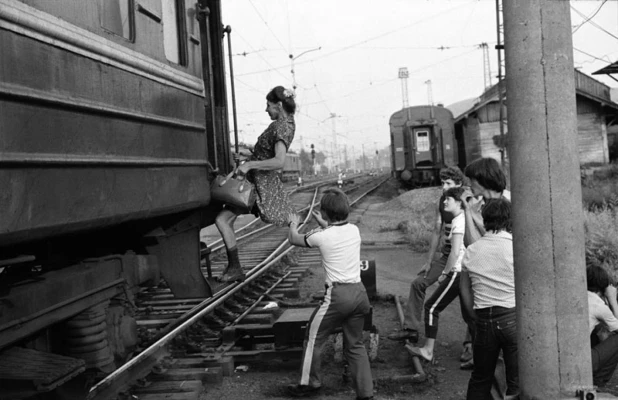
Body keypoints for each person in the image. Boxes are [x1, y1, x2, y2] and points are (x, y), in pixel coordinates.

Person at [286, 188, 373, 400]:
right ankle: (366, 394)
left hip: (337, 296)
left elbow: (294, 239)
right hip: (360, 295)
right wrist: (324, 221)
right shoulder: (354, 230)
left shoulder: (320, 236)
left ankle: (309, 383)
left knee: (313, 338)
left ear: (324, 213)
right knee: (355, 345)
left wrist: (292, 223)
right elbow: (336, 232)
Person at [388, 166, 473, 364]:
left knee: (467, 303)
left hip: (463, 259)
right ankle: (410, 330)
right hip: (446, 256)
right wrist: (428, 261)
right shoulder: (443, 202)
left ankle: (470, 345)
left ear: (458, 185)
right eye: (442, 183)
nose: (444, 187)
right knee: (418, 283)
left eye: (449, 184)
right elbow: (436, 230)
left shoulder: (466, 202)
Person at [215, 86, 296, 282]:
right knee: (225, 219)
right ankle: (234, 267)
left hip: (258, 186)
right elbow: (267, 153)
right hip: (258, 183)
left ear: (278, 105)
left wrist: (250, 164)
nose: (266, 109)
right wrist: (246, 155)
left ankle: (235, 268)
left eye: (268, 105)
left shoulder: (281, 126)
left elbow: (279, 161)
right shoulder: (287, 124)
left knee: (222, 220)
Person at [459, 198, 518, 400]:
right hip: (512, 318)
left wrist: (474, 318)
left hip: (484, 320)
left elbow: (465, 292)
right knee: (516, 382)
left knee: (480, 378)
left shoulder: (472, 250)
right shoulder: (516, 248)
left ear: (485, 220)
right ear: (510, 220)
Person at [406, 187, 472, 362]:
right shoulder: (463, 218)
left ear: (458, 202)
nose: (444, 202)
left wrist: (444, 273)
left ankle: (428, 350)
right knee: (470, 315)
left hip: (456, 272)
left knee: (432, 308)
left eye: (448, 200)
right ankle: (478, 352)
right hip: (461, 271)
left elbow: (455, 252)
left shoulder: (459, 220)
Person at [586, 264, 618, 389]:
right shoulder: (597, 304)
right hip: (581, 361)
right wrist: (612, 298)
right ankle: (596, 383)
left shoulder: (578, 297)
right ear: (604, 286)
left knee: (598, 329)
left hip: (563, 359)